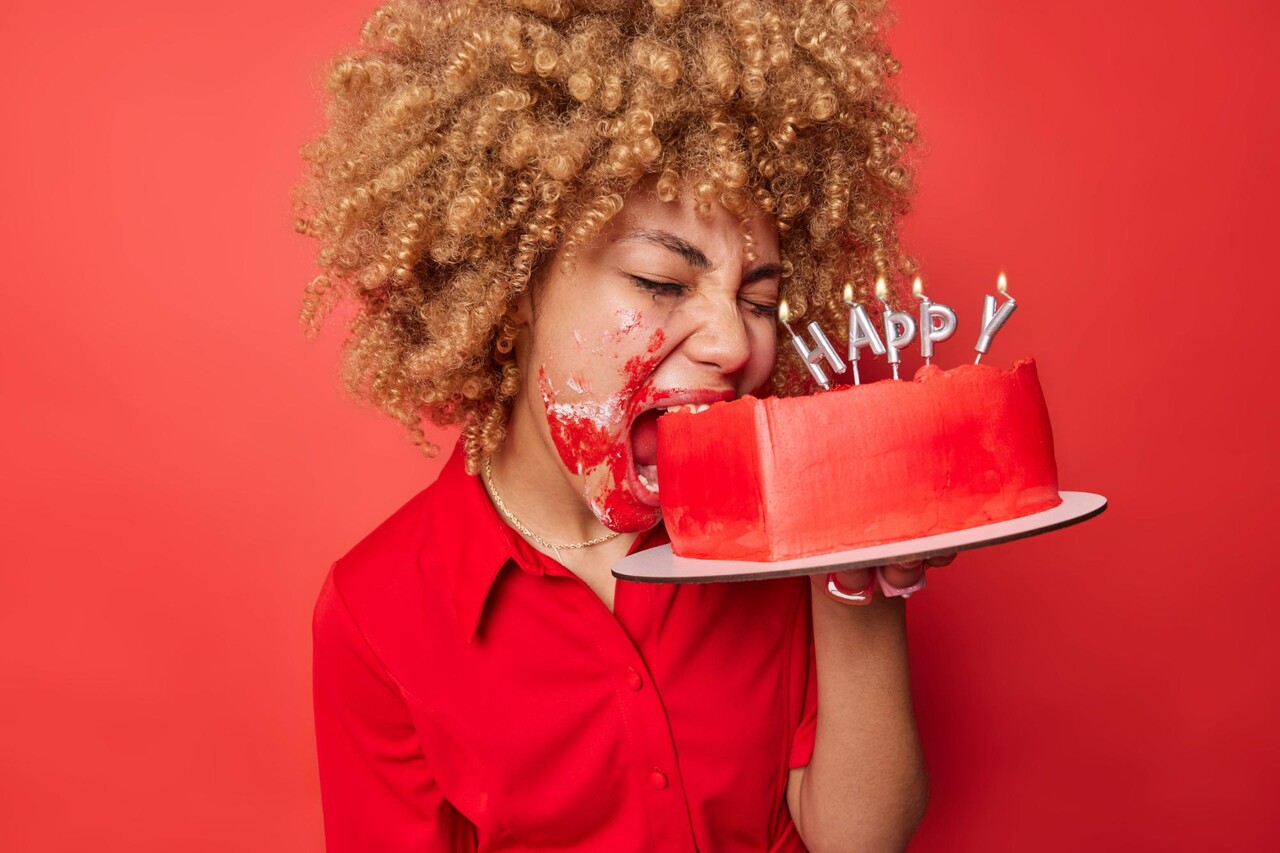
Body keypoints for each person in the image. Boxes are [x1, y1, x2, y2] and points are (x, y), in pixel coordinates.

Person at [293, 0, 953, 849]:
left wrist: (858, 581)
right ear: (514, 283)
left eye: (758, 299)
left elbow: (859, 838)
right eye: (662, 282)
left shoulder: (789, 530)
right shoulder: (375, 612)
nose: (733, 343)